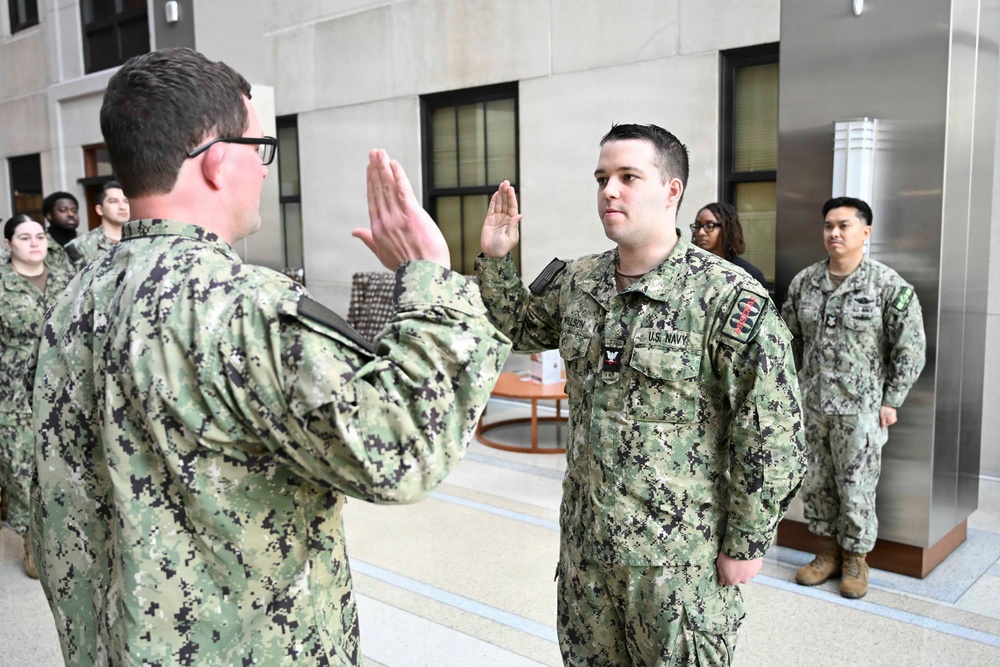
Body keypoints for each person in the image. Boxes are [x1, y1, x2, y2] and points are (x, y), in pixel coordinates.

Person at [29, 47, 510, 666]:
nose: (263, 170)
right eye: (260, 148)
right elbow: (403, 451)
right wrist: (432, 280)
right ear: (218, 159)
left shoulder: (75, 296)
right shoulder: (240, 306)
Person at [476, 123, 806, 665]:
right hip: (588, 551)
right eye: (603, 178)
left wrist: (745, 544)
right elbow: (518, 330)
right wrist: (495, 260)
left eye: (629, 177)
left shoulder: (725, 296)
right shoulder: (579, 281)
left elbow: (772, 433)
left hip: (677, 562)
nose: (610, 190)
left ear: (672, 190)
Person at [781, 196, 926, 599]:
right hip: (812, 407)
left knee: (857, 487)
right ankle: (826, 553)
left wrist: (891, 399)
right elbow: (788, 341)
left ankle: (856, 560)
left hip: (860, 411)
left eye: (844, 225)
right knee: (817, 483)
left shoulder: (887, 286)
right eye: (829, 225)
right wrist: (789, 392)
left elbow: (910, 348)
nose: (834, 233)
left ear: (866, 231)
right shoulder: (804, 282)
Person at [0, 214, 71, 579]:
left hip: (63, 389)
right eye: (24, 237)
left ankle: (66, 536)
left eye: (40, 236)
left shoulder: (68, 280)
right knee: (23, 468)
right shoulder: (2, 284)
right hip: (13, 396)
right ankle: (31, 542)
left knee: (64, 463)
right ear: (8, 243)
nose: (34, 243)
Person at [691, 202, 767, 287]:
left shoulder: (748, 275)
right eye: (697, 226)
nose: (701, 232)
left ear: (727, 228)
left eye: (709, 226)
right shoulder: (689, 268)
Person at [65, 179, 130, 269]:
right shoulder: (80, 246)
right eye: (113, 201)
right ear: (99, 209)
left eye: (126, 201)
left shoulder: (141, 241)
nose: (122, 207)